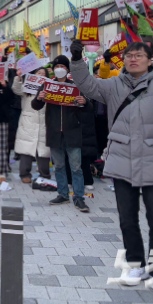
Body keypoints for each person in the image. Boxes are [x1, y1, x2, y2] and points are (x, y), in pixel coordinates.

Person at [70, 37, 153, 303]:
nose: (133, 58)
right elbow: (86, 84)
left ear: (150, 59)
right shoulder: (112, 86)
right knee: (127, 218)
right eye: (129, 55)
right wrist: (77, 60)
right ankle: (135, 264)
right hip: (122, 158)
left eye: (139, 55)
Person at [31, 55, 90, 213]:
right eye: (57, 67)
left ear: (67, 69)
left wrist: (84, 103)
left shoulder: (75, 86)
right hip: (54, 132)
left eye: (63, 67)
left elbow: (88, 109)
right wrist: (39, 98)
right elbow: (35, 105)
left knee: (76, 167)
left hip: (73, 132)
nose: (60, 69)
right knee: (58, 166)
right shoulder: (47, 85)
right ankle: (63, 194)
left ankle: (79, 197)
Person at [12, 67, 50, 184]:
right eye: (39, 73)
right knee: (26, 150)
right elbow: (16, 89)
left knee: (44, 152)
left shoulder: (49, 90)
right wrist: (18, 78)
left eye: (44, 74)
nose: (41, 75)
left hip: (44, 123)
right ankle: (24, 174)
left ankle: (44, 174)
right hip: (28, 123)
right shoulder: (27, 89)